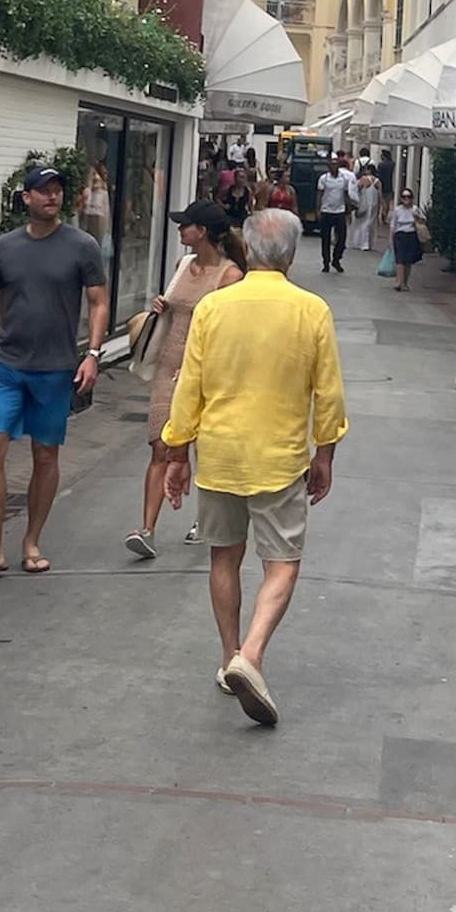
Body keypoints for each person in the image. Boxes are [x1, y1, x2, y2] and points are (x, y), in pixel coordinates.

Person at [159, 207, 346, 727]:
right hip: (278, 457)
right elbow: (327, 393)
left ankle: (227, 657)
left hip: (219, 453)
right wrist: (325, 452)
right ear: (289, 253)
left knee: (224, 556)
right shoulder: (311, 311)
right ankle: (253, 653)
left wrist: (177, 452)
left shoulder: (214, 308)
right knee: (281, 562)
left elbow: (187, 387)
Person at [0, 165, 108, 584]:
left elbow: (98, 301)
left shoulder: (82, 246)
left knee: (45, 454)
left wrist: (92, 353)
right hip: (9, 364)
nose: (51, 197)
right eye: (42, 191)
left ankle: (32, 542)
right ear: (26, 198)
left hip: (56, 367)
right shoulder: (5, 247)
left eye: (57, 190)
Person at [128, 201, 243, 561]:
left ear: (203, 231)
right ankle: (147, 529)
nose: (180, 231)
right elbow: (176, 310)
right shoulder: (182, 266)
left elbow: (227, 331)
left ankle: (203, 520)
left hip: (205, 371)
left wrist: (202, 367)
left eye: (186, 226)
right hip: (167, 365)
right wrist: (161, 305)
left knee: (202, 447)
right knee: (160, 445)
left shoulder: (230, 276)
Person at [314, 153, 356, 274]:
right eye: (331, 165)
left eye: (335, 165)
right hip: (326, 211)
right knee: (325, 239)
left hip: (340, 211)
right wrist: (318, 210)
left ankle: (336, 258)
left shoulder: (344, 179)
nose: (333, 167)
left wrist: (349, 207)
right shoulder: (324, 179)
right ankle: (326, 262)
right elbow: (319, 195)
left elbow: (346, 194)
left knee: (342, 238)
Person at [389, 186, 424, 291]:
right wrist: (390, 240)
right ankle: (399, 282)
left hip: (411, 235)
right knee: (400, 259)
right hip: (400, 235)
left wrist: (417, 217)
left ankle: (405, 282)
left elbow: (423, 221)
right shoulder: (397, 210)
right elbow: (393, 225)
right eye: (404, 197)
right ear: (401, 198)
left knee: (408, 261)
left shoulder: (415, 209)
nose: (406, 199)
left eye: (408, 197)